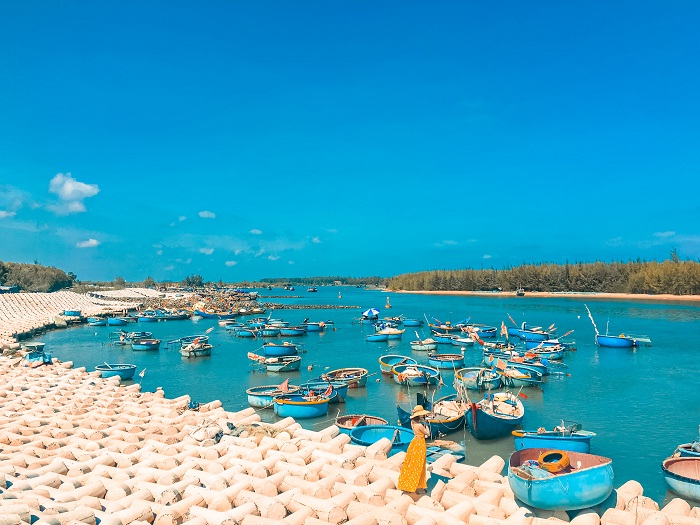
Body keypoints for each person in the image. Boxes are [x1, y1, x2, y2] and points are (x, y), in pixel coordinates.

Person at [398, 405, 431, 494]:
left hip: (414, 443)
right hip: (420, 444)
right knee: (419, 465)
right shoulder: (420, 425)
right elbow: (428, 434)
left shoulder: (412, 422)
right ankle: (417, 486)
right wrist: (426, 424)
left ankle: (408, 484)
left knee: (411, 463)